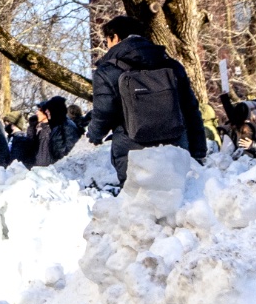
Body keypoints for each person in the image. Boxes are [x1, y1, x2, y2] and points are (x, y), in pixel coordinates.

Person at [83, 13, 207, 180]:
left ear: (116, 37)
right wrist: (198, 150)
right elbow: (191, 109)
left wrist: (94, 134)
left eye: (108, 40)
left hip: (132, 153)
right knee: (178, 198)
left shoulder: (108, 71)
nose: (107, 46)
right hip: (174, 148)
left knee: (137, 201)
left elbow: (104, 112)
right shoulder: (171, 65)